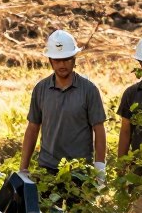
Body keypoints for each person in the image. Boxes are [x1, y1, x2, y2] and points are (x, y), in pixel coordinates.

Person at [19, 30, 107, 191]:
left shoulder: (88, 90)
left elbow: (99, 129)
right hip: (48, 169)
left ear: (74, 59)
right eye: (57, 60)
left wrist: (99, 169)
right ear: (50, 61)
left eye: (66, 59)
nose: (62, 65)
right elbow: (32, 128)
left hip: (80, 171)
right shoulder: (41, 89)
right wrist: (23, 169)